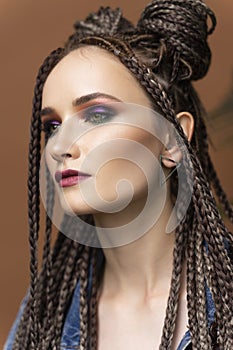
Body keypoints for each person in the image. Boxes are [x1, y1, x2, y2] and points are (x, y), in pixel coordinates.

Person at [4, 0, 233, 349]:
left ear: (171, 140)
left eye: (96, 115)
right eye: (52, 125)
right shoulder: (46, 314)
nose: (59, 146)